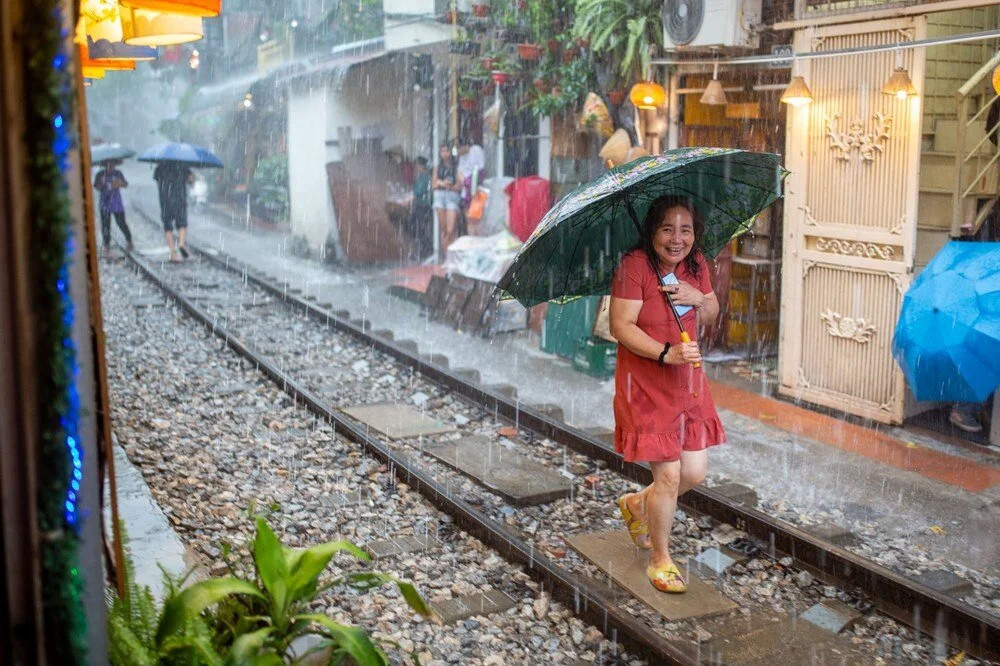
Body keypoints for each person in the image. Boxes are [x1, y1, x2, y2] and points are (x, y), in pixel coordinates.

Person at [608, 195, 724, 594]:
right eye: (667, 229)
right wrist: (664, 352)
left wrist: (699, 298)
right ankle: (660, 558)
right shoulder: (634, 267)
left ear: (696, 232)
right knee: (670, 476)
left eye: (686, 229)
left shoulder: (696, 266)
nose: (677, 239)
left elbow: (710, 313)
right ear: (652, 231)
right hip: (646, 384)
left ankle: (639, 505)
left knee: (694, 472)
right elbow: (620, 326)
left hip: (688, 383)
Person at [153, 161, 194, 262]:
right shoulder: (183, 165)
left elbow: (157, 181)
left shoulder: (160, 167)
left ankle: (173, 253)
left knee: (167, 226)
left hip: (165, 200)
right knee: (182, 223)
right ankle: (181, 243)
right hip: (180, 199)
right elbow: (191, 180)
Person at [93, 159, 133, 253]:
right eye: (108, 164)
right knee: (105, 225)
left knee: (121, 223)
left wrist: (120, 183)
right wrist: (102, 184)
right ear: (104, 165)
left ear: (115, 165)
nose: (110, 166)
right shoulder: (100, 174)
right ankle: (106, 244)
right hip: (104, 203)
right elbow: (97, 187)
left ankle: (129, 240)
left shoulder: (118, 173)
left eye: (112, 164)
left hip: (116, 203)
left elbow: (125, 184)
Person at [432, 143, 460, 260]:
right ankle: (446, 257)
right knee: (443, 230)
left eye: (446, 151)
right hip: (440, 196)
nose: (444, 154)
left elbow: (459, 186)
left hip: (452, 195)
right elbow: (434, 184)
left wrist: (450, 186)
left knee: (451, 229)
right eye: (442, 151)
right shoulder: (437, 167)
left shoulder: (456, 166)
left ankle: (452, 256)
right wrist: (441, 183)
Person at [407, 156, 433, 258]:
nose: (415, 167)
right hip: (419, 205)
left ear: (421, 166)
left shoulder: (425, 177)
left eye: (417, 165)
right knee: (413, 226)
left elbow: (419, 191)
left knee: (417, 227)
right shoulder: (420, 177)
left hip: (424, 206)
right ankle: (424, 247)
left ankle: (426, 247)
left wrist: (409, 199)